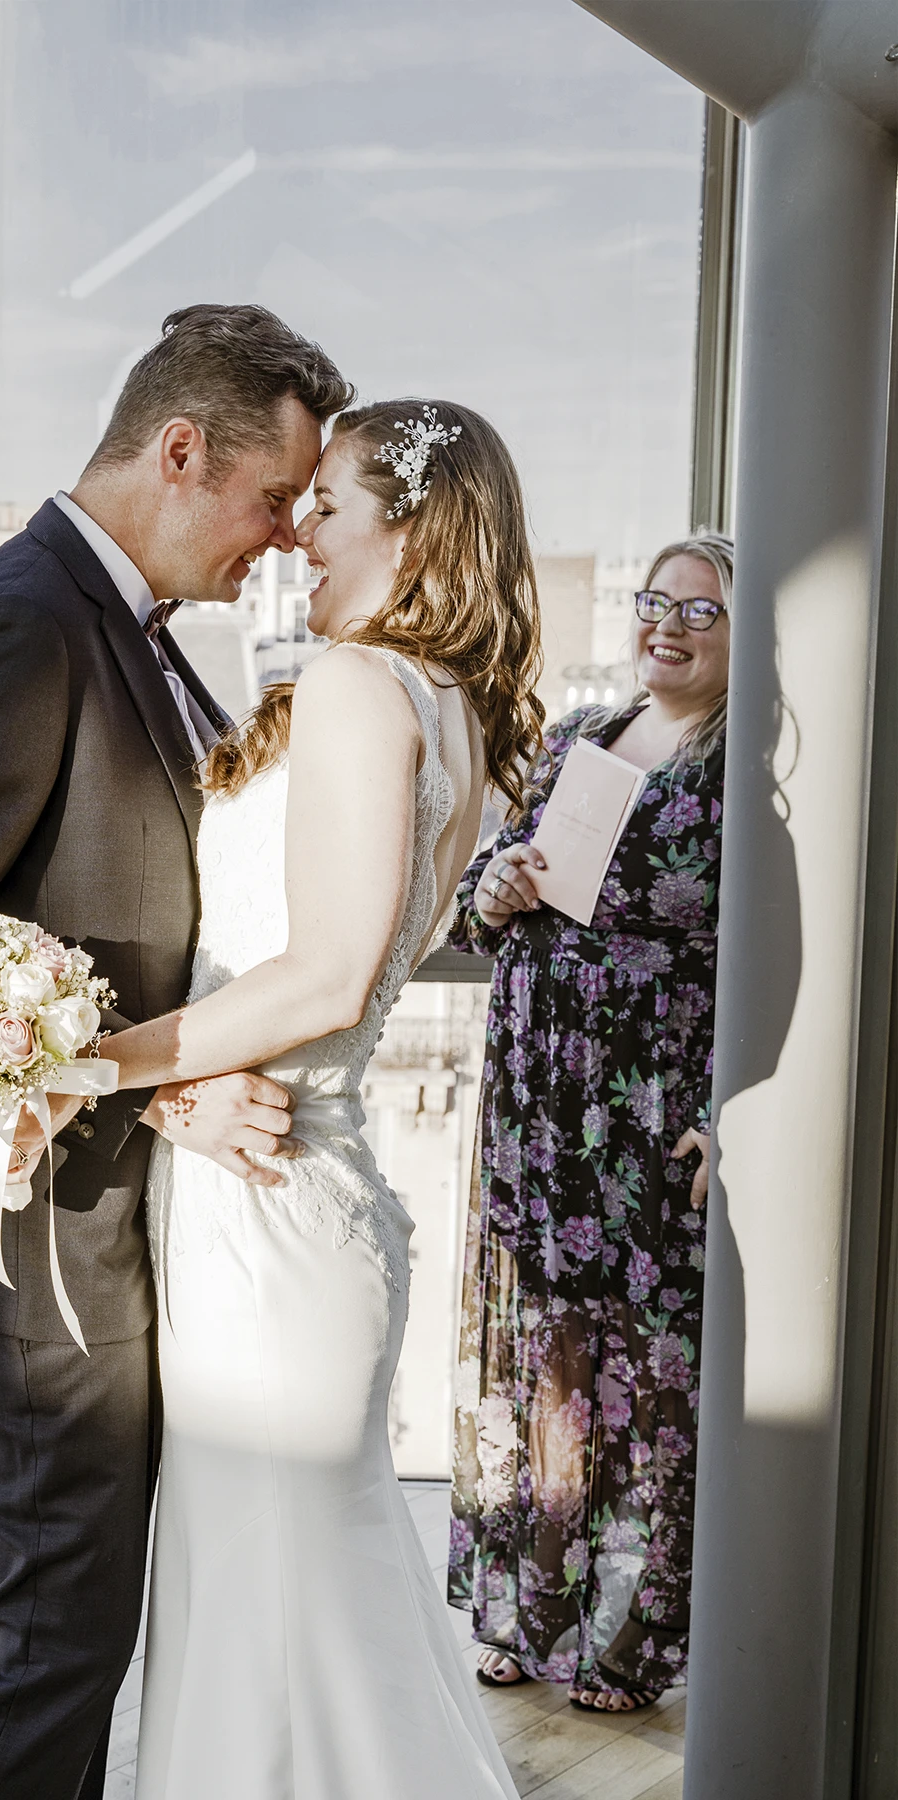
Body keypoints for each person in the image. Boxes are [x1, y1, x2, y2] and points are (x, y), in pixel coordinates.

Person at [0, 303, 353, 1800]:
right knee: (57, 1627)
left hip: (101, 1224)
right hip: (27, 1243)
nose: (276, 538)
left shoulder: (136, 632)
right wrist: (152, 1077)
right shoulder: (21, 617)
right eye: (272, 499)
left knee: (75, 1620)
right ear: (182, 450)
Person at [58, 398, 544, 1798]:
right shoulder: (442, 703)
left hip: (267, 1218)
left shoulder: (356, 686)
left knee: (276, 1629)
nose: (301, 532)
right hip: (295, 1199)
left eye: (328, 502)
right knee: (294, 1617)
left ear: (412, 526)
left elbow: (328, 975)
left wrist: (101, 1065)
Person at [447, 532, 733, 1715]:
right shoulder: (576, 742)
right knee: (541, 1366)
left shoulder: (748, 773)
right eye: (653, 601)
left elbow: (773, 960)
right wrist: (498, 882)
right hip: (535, 1100)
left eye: (698, 612)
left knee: (640, 1379)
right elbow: (479, 898)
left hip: (646, 1112)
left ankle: (622, 1641)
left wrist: (722, 1110)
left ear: (745, 632)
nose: (663, 624)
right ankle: (525, 1610)